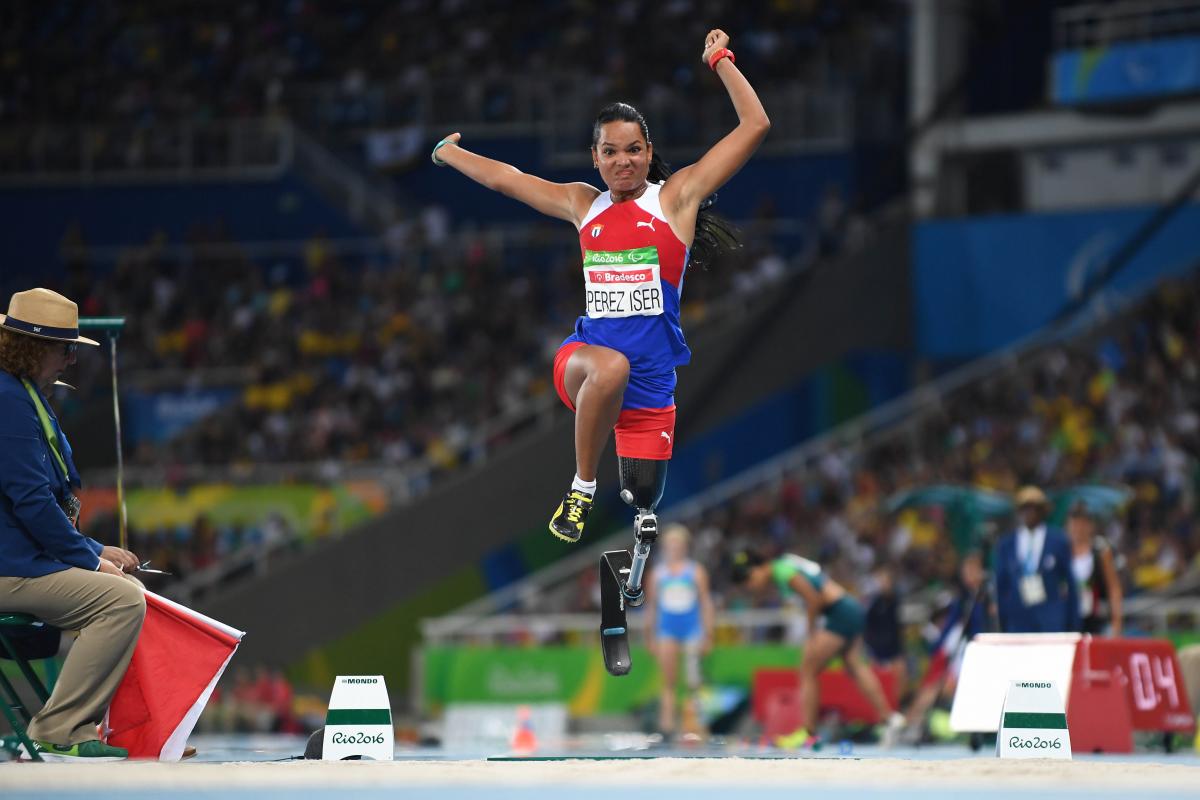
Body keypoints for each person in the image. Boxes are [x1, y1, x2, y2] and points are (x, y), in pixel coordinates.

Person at [431, 29, 769, 543]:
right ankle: (581, 488)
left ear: (648, 150)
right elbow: (506, 178)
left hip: (652, 389)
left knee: (643, 496)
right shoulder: (583, 204)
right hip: (587, 367)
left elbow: (756, 124)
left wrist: (719, 59)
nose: (622, 162)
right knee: (612, 366)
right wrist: (448, 154)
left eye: (633, 150)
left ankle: (630, 550)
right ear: (595, 157)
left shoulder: (676, 200)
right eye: (610, 152)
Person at [0, 288, 144, 761]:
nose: (69, 362)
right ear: (38, 348)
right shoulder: (9, 403)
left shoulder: (18, 395)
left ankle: (68, 724)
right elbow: (34, 505)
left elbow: (36, 505)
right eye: (66, 350)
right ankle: (58, 730)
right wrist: (90, 558)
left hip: (19, 560)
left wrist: (95, 551)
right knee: (122, 601)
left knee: (116, 595)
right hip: (10, 568)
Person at [731, 550, 905, 749]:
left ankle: (809, 734)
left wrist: (810, 633)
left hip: (839, 612)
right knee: (855, 667)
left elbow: (814, 599)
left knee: (807, 669)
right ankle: (890, 718)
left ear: (758, 568)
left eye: (749, 579)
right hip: (850, 608)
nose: (750, 586)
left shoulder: (781, 570)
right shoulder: (785, 565)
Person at [902, 551, 991, 742]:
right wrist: (936, 651)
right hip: (958, 654)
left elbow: (985, 626)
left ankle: (912, 723)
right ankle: (910, 724)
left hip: (980, 653)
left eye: (973, 569)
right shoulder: (962, 599)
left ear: (983, 571)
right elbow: (948, 628)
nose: (969, 574)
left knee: (940, 687)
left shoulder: (989, 596)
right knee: (932, 686)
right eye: (965, 570)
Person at [643, 524, 714, 740]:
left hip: (692, 628)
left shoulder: (696, 571)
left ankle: (695, 726)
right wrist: (649, 636)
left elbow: (705, 603)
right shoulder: (658, 574)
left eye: (678, 544)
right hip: (667, 629)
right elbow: (652, 607)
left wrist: (708, 634)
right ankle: (666, 727)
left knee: (694, 681)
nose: (674, 548)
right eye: (670, 544)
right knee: (668, 681)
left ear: (685, 547)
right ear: (665, 547)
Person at [992, 486, 1080, 634]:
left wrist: (1073, 621)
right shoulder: (1006, 544)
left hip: (1051, 619)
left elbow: (1070, 581)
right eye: (1025, 508)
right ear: (1019, 512)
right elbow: (1001, 585)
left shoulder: (1058, 541)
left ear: (1042, 511)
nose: (1029, 513)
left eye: (1034, 508)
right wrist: (1003, 620)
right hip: (1018, 619)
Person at [1066, 501, 1123, 636]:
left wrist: (1117, 622)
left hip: (1095, 618)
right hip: (1068, 617)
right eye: (1074, 523)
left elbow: (1113, 588)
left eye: (1083, 523)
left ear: (1090, 525)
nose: (1078, 528)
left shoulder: (1100, 551)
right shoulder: (1063, 551)